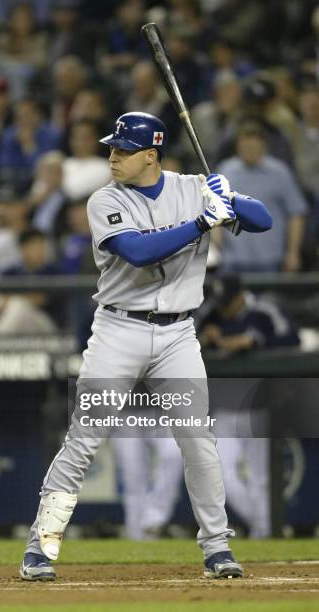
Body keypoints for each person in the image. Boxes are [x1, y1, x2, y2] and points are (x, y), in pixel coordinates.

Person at [20, 111, 272, 581]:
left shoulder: (193, 187)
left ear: (150, 155)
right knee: (84, 439)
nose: (112, 157)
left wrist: (232, 198)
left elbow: (264, 221)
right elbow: (137, 251)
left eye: (123, 150)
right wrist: (202, 222)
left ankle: (217, 548)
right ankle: (41, 545)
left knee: (198, 439)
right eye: (112, 148)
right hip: (120, 332)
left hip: (178, 335)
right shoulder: (103, 200)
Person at [197, 273, 300, 537]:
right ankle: (266, 527)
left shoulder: (264, 311)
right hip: (224, 407)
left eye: (228, 301)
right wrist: (202, 338)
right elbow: (181, 342)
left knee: (261, 479)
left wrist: (254, 341)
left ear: (241, 294)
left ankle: (264, 534)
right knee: (219, 476)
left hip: (259, 407)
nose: (223, 307)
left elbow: (293, 341)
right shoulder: (210, 313)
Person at [217, 121, 307, 272]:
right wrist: (216, 246)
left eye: (254, 146)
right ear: (238, 146)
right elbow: (214, 212)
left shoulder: (280, 173)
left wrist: (293, 253)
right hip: (232, 260)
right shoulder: (226, 171)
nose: (250, 150)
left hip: (271, 260)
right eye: (246, 146)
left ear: (263, 145)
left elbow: (296, 214)